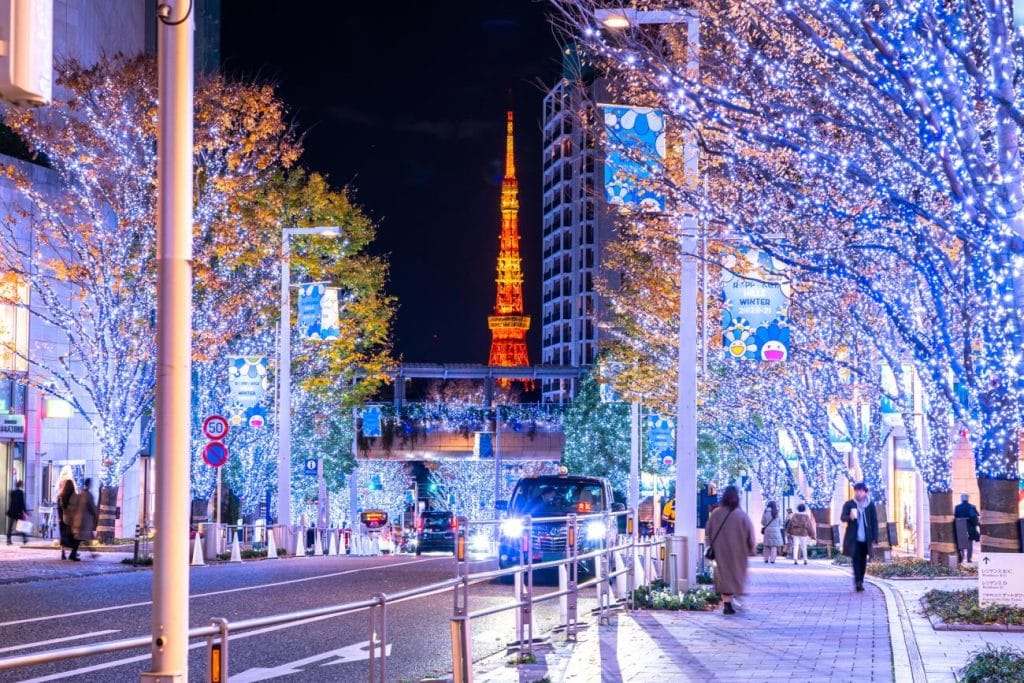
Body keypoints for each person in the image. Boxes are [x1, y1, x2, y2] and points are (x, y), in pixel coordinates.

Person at [705, 485, 756, 615]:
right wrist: (751, 548)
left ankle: (727, 603)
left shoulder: (716, 513)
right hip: (739, 551)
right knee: (736, 575)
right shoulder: (741, 515)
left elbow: (708, 532)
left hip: (720, 550)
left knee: (723, 576)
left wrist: (711, 545)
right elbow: (750, 533)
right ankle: (736, 596)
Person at [841, 482, 878, 592]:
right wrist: (850, 517)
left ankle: (861, 579)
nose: (858, 493)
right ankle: (858, 582)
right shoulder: (849, 504)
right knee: (856, 560)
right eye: (857, 490)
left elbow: (874, 521)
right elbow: (842, 517)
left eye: (861, 491)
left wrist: (875, 537)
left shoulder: (870, 505)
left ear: (865, 492)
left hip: (866, 538)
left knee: (863, 561)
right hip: (854, 538)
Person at [70, 478, 97, 561]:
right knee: (83, 538)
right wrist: (96, 515)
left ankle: (74, 554)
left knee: (79, 538)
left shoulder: (80, 494)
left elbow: (74, 506)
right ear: (89, 485)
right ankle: (90, 554)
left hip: (77, 520)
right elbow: (92, 508)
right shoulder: (88, 495)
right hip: (84, 521)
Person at [953, 493, 981, 563]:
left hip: (960, 527)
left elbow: (955, 517)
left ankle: (962, 558)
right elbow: (976, 517)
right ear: (968, 498)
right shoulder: (972, 507)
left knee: (961, 544)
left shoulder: (957, 507)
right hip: (970, 528)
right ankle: (969, 559)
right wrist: (975, 525)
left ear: (961, 499)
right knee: (969, 544)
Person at [57, 479, 78, 560]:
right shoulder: (74, 496)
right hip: (71, 519)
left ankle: (63, 553)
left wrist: (59, 517)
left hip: (62, 518)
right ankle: (73, 552)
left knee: (63, 536)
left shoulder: (60, 496)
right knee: (72, 536)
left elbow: (59, 508)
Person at [6, 479, 29, 545]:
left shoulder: (12, 492)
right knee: (21, 526)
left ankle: (8, 540)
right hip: (18, 512)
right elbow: (22, 503)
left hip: (12, 511)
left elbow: (12, 502)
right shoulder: (21, 493)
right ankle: (24, 539)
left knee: (10, 526)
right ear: (21, 485)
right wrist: (25, 511)